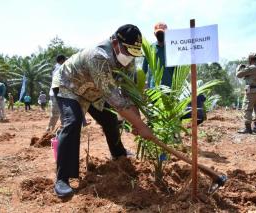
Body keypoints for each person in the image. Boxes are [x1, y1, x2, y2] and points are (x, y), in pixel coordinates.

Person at [51, 24, 226, 198]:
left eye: (134, 53)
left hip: (95, 92)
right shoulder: (98, 56)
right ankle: (62, 179)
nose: (130, 57)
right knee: (72, 123)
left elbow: (129, 92)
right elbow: (116, 99)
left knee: (110, 121)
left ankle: (118, 154)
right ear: (115, 42)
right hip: (70, 86)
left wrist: (137, 121)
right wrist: (140, 125)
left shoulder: (129, 58)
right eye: (127, 51)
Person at [236, 53, 256, 134]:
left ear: (250, 59)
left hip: (252, 90)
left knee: (247, 108)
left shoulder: (251, 67)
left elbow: (238, 75)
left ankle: (247, 128)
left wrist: (238, 68)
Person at [142, 22, 175, 88]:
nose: (160, 35)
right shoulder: (150, 48)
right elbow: (144, 69)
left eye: (162, 33)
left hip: (169, 89)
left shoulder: (172, 49)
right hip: (153, 89)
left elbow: (177, 70)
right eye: (158, 33)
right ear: (154, 34)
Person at [46, 55, 66, 131]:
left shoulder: (57, 67)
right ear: (62, 60)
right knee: (56, 114)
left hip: (58, 94)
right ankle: (48, 132)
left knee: (63, 113)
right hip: (56, 94)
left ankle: (63, 130)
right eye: (65, 60)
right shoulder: (59, 68)